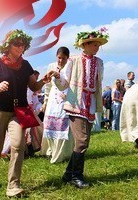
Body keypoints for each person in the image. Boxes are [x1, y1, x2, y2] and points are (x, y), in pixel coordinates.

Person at [0, 29, 50, 197]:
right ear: (8, 45)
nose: (21, 47)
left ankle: (13, 185)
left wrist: (44, 80)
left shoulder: (26, 65)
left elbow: (34, 87)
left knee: (18, 145)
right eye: (17, 44)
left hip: (18, 111)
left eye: (23, 44)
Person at [49, 29, 108, 188]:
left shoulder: (100, 62)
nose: (97, 47)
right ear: (85, 45)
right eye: (95, 44)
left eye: (98, 45)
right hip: (76, 103)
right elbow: (65, 82)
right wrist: (57, 76)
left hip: (90, 105)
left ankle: (68, 174)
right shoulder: (73, 60)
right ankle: (77, 176)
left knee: (84, 142)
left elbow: (97, 83)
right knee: (81, 141)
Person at [41, 46, 74, 163]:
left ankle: (63, 153)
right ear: (56, 56)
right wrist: (45, 100)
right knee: (50, 125)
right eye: (59, 58)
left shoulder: (71, 67)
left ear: (67, 58)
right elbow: (48, 85)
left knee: (63, 126)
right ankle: (50, 150)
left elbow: (70, 83)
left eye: (63, 58)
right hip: (52, 100)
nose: (61, 61)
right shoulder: (51, 66)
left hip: (65, 99)